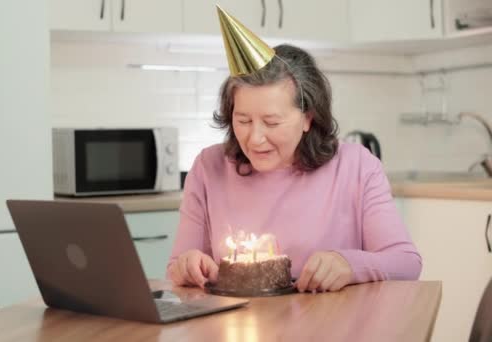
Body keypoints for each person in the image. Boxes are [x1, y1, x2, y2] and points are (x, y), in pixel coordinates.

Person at [166, 8, 422, 293]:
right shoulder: (208, 167)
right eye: (243, 120)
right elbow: (178, 266)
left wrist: (349, 264)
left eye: (272, 122)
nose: (255, 138)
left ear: (307, 118)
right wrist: (187, 266)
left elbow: (406, 263)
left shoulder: (356, 166)